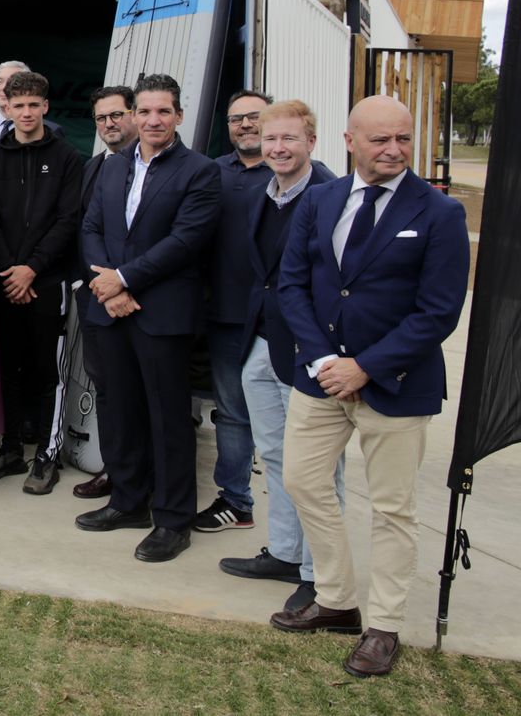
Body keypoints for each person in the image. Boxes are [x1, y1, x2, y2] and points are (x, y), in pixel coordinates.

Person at [272, 95, 468, 678]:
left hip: (397, 386)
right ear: (349, 140)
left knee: (392, 509)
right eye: (380, 140)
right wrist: (328, 359)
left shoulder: (440, 213)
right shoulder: (321, 200)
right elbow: (292, 286)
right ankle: (336, 599)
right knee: (302, 481)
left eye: (403, 139)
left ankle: (383, 624)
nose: (394, 150)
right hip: (323, 379)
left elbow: (438, 312)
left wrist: (366, 367)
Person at [77, 74, 220, 563]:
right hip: (110, 309)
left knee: (168, 420)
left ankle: (173, 520)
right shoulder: (113, 168)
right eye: (145, 111)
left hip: (162, 313)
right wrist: (107, 285)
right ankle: (128, 501)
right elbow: (92, 227)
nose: (153, 120)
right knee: (119, 411)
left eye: (164, 111)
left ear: (179, 116)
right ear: (134, 116)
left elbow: (186, 241)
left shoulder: (200, 172)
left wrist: (124, 280)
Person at [218, 99, 340, 613]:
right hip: (261, 343)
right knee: (274, 457)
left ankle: (319, 573)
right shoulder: (264, 194)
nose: (278, 148)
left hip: (307, 351)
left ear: (311, 141)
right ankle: (287, 553)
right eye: (271, 139)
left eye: (289, 139)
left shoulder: (331, 195)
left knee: (316, 470)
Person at [0, 70, 83, 494]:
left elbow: (68, 220)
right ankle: (10, 449)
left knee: (46, 372)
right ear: (6, 107)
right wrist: (10, 270)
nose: (25, 112)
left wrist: (32, 269)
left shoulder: (66, 157)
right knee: (7, 368)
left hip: (46, 282)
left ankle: (46, 454)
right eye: (16, 105)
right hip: (4, 282)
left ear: (45, 107)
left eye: (32, 105)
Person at [195, 89, 275, 534]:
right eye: (236, 119)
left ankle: (295, 514)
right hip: (226, 315)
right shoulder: (211, 173)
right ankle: (236, 500)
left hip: (281, 322)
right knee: (231, 412)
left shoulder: (305, 175)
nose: (245, 125)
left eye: (254, 117)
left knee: (287, 419)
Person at [69, 85, 139, 501]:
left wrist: (121, 284)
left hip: (137, 300)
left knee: (140, 394)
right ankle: (115, 472)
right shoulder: (94, 167)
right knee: (108, 392)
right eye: (101, 118)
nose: (109, 124)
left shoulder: (155, 168)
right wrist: (91, 285)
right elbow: (84, 229)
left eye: (116, 115)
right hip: (96, 299)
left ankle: (138, 478)